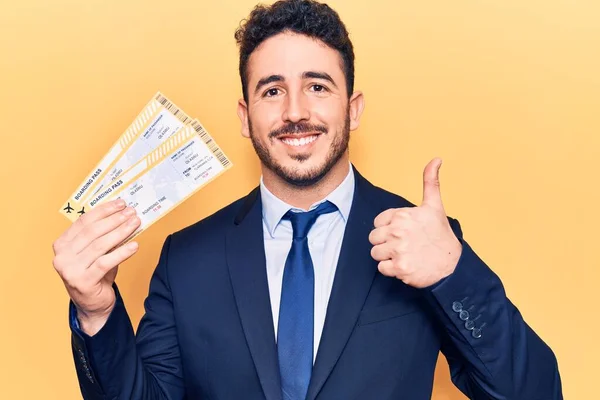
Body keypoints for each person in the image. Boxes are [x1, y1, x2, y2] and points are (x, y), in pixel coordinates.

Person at [52, 0, 563, 399]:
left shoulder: (426, 242)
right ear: (245, 115)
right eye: (272, 91)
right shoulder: (186, 259)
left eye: (317, 86)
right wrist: (96, 311)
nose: (296, 112)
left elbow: (536, 393)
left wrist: (455, 274)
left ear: (353, 108)